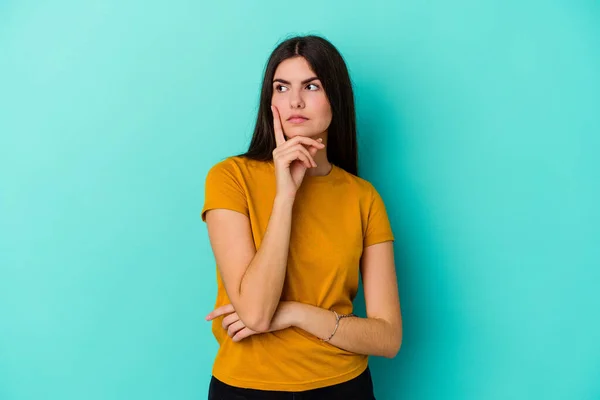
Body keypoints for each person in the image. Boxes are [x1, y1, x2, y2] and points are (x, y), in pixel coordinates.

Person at [200, 35, 402, 399]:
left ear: (335, 100)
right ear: (270, 100)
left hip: (343, 388)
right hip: (245, 388)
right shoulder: (230, 178)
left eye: (311, 86)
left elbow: (387, 338)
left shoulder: (363, 198)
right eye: (282, 87)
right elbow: (258, 314)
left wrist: (295, 313)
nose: (295, 101)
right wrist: (285, 196)